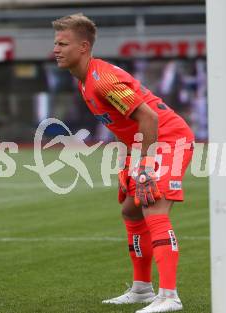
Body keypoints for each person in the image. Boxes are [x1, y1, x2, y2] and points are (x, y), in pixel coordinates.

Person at [52, 13, 195, 313]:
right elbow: (124, 125)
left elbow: (149, 118)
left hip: (169, 139)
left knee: (152, 206)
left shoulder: (101, 80)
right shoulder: (84, 82)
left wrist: (144, 166)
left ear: (83, 47)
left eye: (63, 43)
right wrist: (125, 165)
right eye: (56, 43)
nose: (56, 49)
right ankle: (143, 289)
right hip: (147, 141)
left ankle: (170, 297)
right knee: (131, 211)